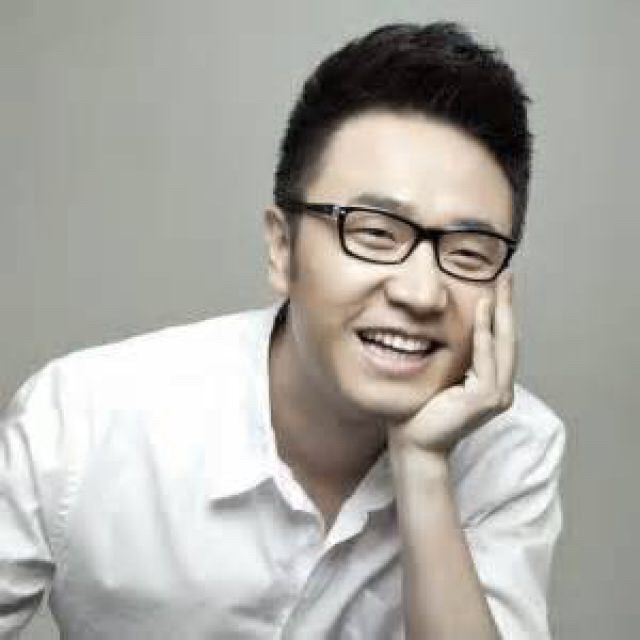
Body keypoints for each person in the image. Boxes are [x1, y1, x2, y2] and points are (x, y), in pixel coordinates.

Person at [0, 22, 565, 639]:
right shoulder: (83, 419)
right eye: (375, 233)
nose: (421, 293)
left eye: (468, 253)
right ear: (281, 248)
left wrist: (423, 464)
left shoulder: (513, 450)